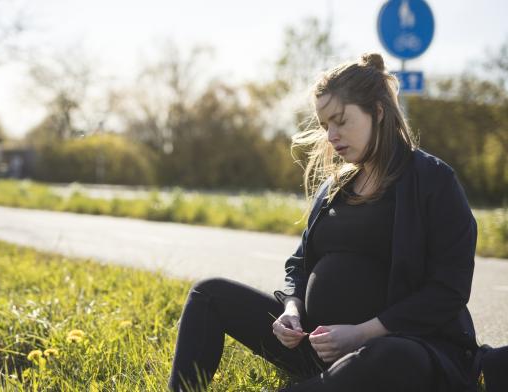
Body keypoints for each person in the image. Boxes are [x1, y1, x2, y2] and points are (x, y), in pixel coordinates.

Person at [167, 53, 481, 391]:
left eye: (341, 120)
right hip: (316, 346)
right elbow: (300, 263)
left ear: (377, 111)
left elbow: (448, 290)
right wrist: (291, 309)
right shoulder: (336, 187)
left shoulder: (433, 180)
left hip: (397, 347)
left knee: (392, 356)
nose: (331, 135)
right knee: (209, 293)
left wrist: (363, 333)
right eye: (324, 125)